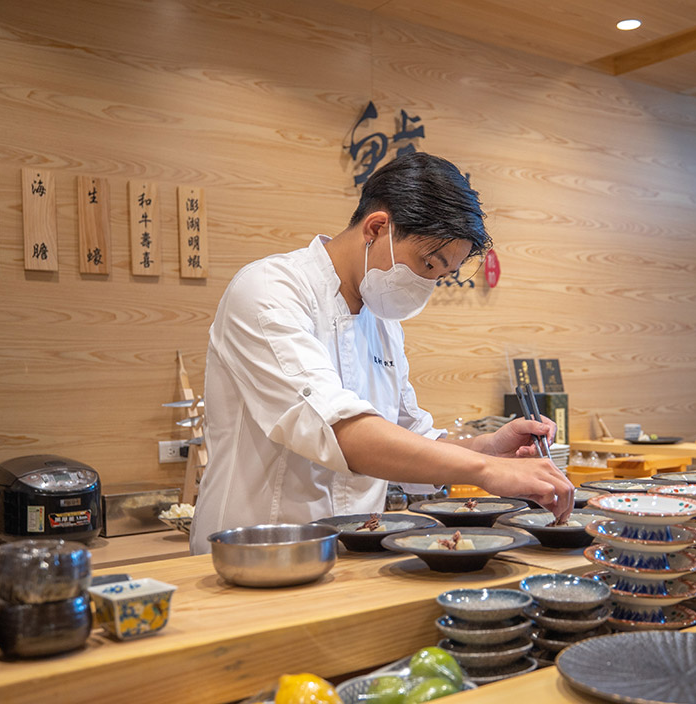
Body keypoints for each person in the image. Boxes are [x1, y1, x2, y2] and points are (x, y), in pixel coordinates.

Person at [189, 152, 573, 554]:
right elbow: (341, 432)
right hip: (254, 553)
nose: (428, 284)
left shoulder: (382, 320)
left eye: (441, 276)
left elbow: (410, 439)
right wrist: (486, 469)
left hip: (353, 551)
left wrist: (487, 448)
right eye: (428, 263)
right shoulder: (270, 290)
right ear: (376, 228)